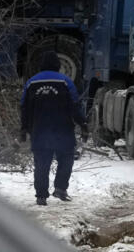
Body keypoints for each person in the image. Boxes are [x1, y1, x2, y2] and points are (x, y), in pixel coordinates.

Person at [20, 52, 87, 206]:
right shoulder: (66, 81)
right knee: (66, 158)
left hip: (39, 131)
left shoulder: (31, 83)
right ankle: (60, 188)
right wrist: (83, 124)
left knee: (42, 163)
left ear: (41, 65)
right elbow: (75, 106)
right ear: (58, 65)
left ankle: (41, 196)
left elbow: (24, 108)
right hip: (63, 130)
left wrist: (23, 129)